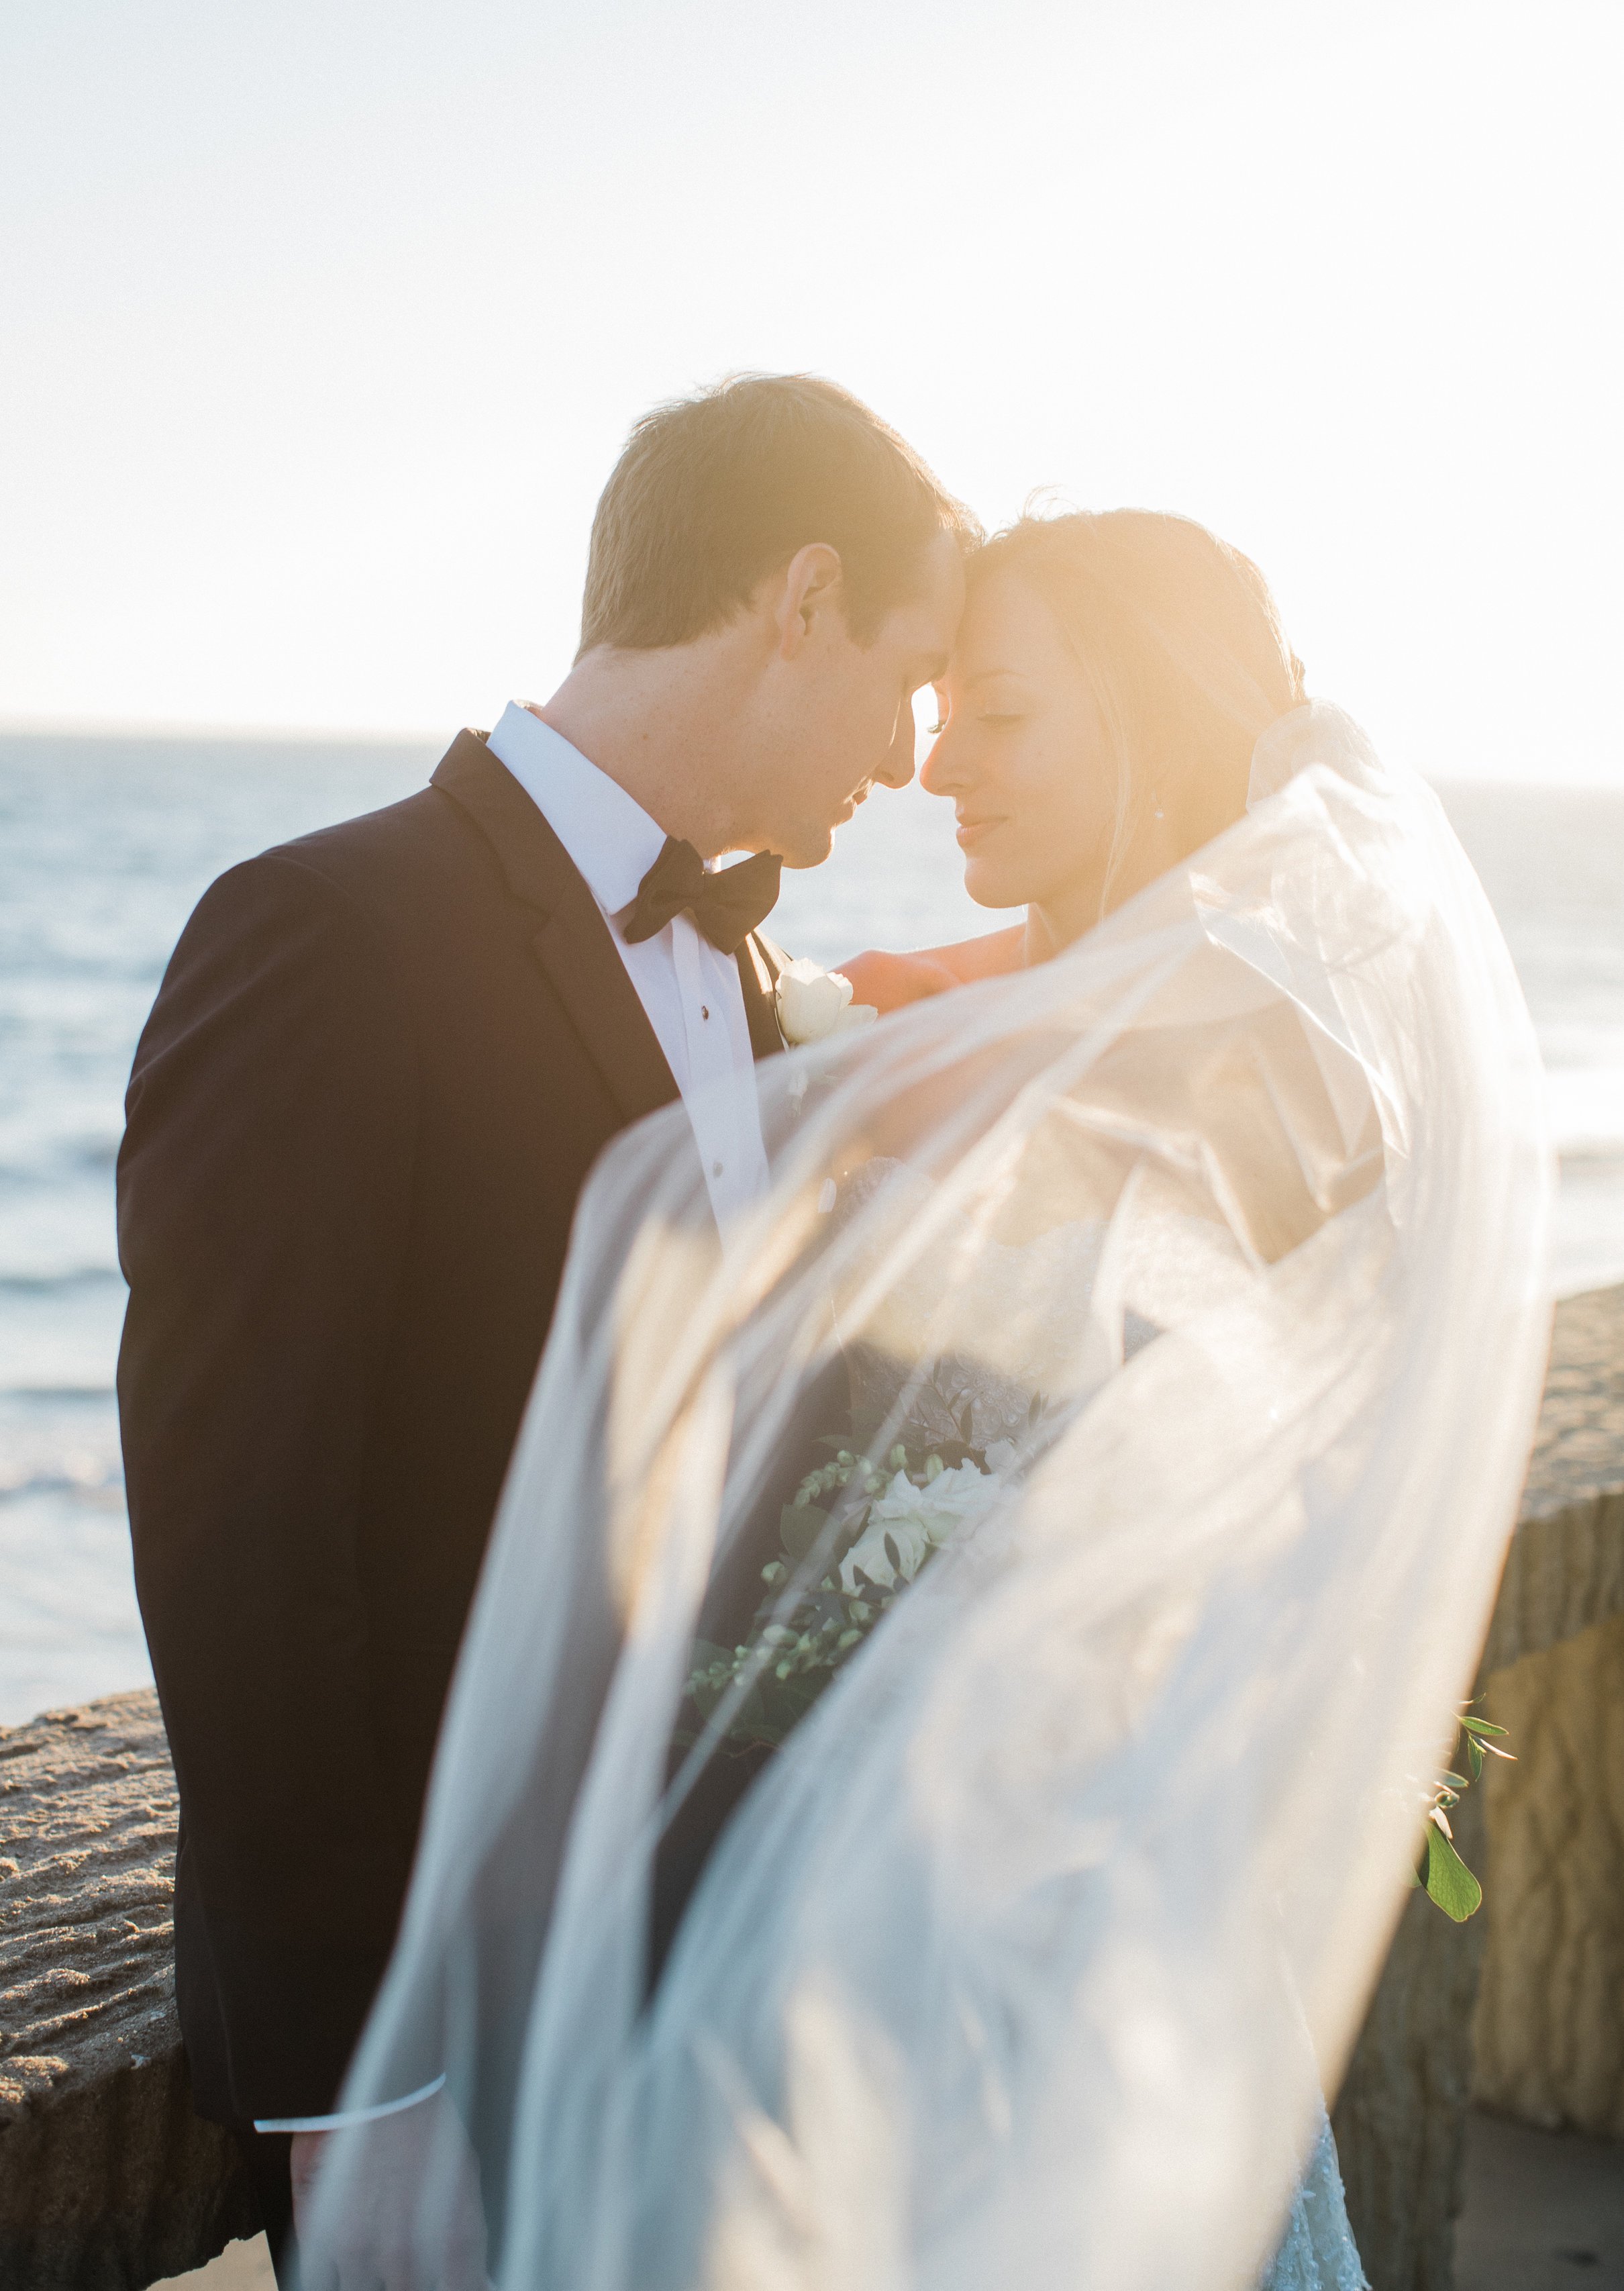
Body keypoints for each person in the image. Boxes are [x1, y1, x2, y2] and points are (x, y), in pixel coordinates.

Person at [296, 507, 1552, 2291]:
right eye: (941, 706)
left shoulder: (1270, 1045)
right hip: (879, 1941)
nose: (937, 764)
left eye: (1005, 717)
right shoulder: (1037, 1004)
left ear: (1153, 717)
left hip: (1063, 1922)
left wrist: (862, 1059)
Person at [115, 373, 971, 2278]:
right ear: (800, 600)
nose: (917, 756)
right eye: (910, 678)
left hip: (714, 1961)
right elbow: (238, 1530)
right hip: (449, 2017)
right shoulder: (325, 930)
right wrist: (361, 2083)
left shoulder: (746, 971)